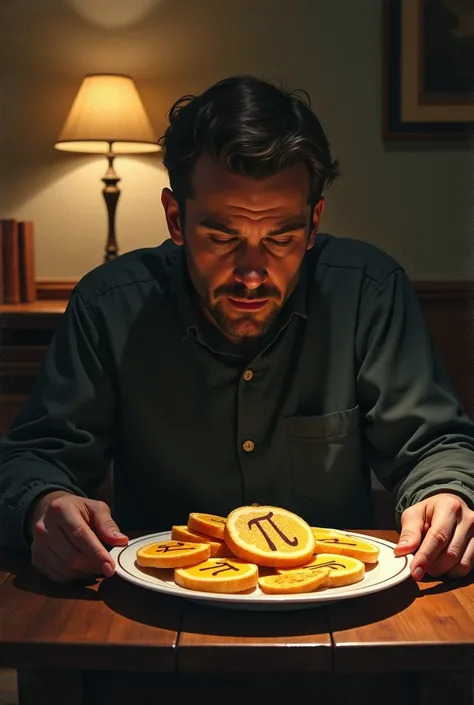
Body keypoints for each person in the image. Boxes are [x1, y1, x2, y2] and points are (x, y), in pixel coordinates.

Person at [0, 75, 473, 585]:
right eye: (223, 237)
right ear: (175, 218)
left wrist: (446, 494)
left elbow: (433, 445)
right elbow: (35, 457)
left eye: (280, 238)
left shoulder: (368, 291)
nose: (251, 274)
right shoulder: (109, 304)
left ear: (314, 223)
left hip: (331, 612)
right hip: (156, 615)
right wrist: (43, 504)